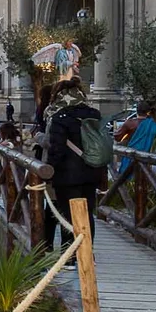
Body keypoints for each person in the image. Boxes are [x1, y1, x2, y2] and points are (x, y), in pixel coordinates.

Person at [42, 77, 105, 250]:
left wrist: (48, 172)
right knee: (87, 214)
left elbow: (57, 149)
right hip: (91, 171)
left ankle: (68, 256)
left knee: (67, 214)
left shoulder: (59, 117)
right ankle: (87, 252)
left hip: (67, 175)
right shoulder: (94, 114)